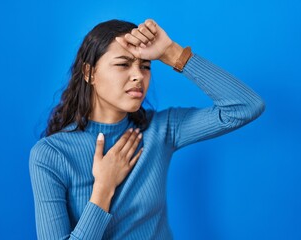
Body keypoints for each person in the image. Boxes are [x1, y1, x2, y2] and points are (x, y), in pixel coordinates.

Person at [29, 19, 265, 239]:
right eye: (123, 64)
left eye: (145, 66)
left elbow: (246, 106)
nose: (137, 76)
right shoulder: (51, 155)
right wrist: (103, 188)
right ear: (90, 72)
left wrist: (172, 53)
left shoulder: (161, 129)